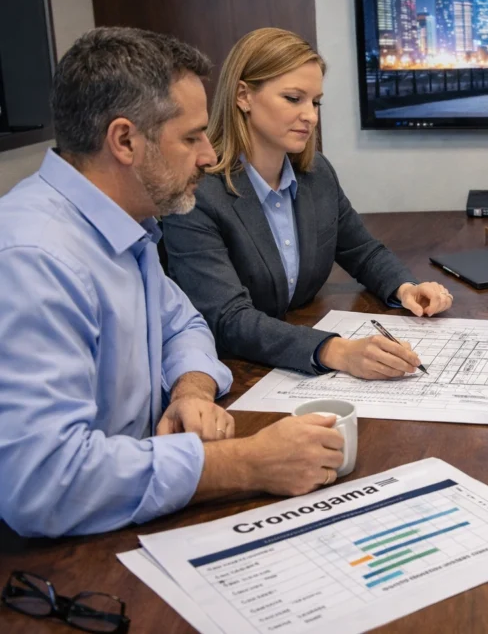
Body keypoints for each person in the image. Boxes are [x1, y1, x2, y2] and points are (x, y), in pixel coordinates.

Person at [0, 27, 352, 538]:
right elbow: (45, 483)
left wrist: (191, 388)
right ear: (124, 140)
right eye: (191, 138)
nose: (209, 156)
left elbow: (183, 323)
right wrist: (248, 463)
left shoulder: (127, 224)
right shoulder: (33, 259)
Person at [162, 28, 451, 379]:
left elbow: (363, 251)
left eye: (315, 102)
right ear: (243, 96)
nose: (311, 116)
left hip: (292, 359)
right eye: (293, 98)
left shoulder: (317, 174)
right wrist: (335, 350)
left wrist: (406, 288)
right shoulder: (198, 194)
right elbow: (228, 319)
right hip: (234, 372)